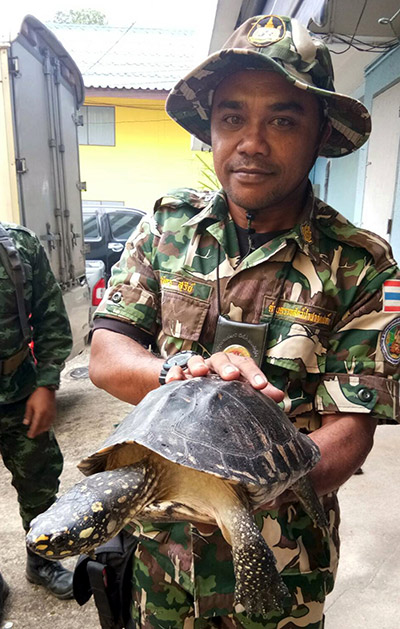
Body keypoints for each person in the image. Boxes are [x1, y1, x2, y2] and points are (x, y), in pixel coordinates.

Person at [89, 14, 400, 628]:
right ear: (211, 128)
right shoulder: (166, 230)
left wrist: (243, 489)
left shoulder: (362, 264)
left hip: (283, 557)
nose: (251, 141)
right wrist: (182, 377)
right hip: (162, 555)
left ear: (320, 133)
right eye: (232, 117)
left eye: (282, 119)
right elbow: (107, 354)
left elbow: (354, 427)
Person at [0, 222, 74, 600]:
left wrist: (46, 384)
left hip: (20, 392)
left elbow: (51, 318)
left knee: (39, 482)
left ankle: (42, 559)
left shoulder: (19, 245)